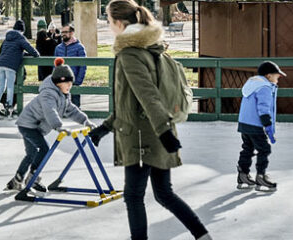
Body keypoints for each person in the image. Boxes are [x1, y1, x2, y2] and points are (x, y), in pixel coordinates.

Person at [87, 1, 211, 239]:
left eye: (109, 20)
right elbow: (130, 104)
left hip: (143, 139)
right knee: (164, 193)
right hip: (158, 132)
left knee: (133, 196)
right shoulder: (154, 49)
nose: (108, 25)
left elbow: (148, 95)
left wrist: (164, 131)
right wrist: (104, 128)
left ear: (120, 23)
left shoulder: (130, 55)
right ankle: (203, 236)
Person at [6, 58, 94, 196]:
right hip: (28, 125)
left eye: (71, 83)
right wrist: (58, 126)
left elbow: (71, 109)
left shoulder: (63, 95)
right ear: (58, 82)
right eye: (67, 83)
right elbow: (49, 111)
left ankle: (17, 180)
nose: (69, 86)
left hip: (33, 125)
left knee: (31, 154)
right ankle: (33, 178)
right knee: (44, 149)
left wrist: (85, 121)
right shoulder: (48, 94)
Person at [236, 61, 284, 192]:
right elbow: (263, 108)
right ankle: (261, 177)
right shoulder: (264, 87)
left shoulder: (253, 84)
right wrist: (267, 125)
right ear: (269, 76)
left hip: (244, 123)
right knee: (264, 149)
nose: (278, 78)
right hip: (255, 124)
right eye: (277, 75)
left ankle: (243, 175)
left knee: (247, 148)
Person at [0, 20, 39, 119]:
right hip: (10, 66)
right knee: (10, 87)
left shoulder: (7, 38)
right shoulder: (20, 38)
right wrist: (36, 54)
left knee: (1, 87)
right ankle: (9, 109)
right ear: (22, 30)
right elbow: (31, 49)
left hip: (0, 65)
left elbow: (5, 51)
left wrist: (21, 54)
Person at [54, 24, 87, 107]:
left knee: (75, 106)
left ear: (72, 33)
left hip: (74, 80)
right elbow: (54, 65)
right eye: (62, 32)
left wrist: (78, 81)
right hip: (61, 80)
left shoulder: (79, 47)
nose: (63, 34)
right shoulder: (58, 48)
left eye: (65, 32)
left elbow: (83, 65)